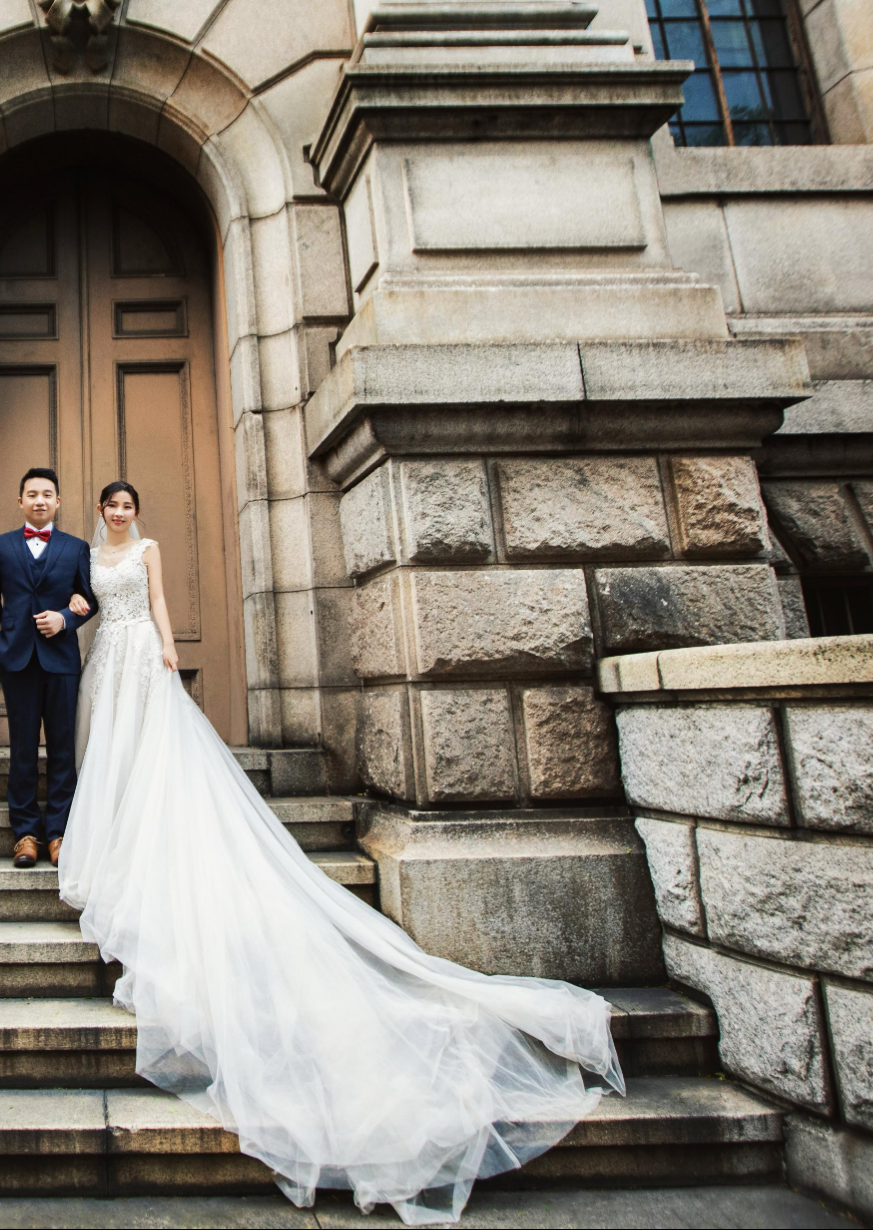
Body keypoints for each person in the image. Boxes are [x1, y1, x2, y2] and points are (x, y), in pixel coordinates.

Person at [56, 480, 622, 1225]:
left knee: (148, 749)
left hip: (143, 656)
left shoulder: (150, 549)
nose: (122, 513)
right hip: (104, 655)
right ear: (101, 511)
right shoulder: (87, 556)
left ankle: (142, 830)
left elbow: (156, 600)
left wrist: (166, 644)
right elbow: (85, 604)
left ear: (136, 508)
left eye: (130, 504)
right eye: (114, 506)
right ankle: (114, 829)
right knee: (109, 751)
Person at [0, 467, 95, 869]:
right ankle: (25, 834)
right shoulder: (1, 546)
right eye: (32, 494)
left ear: (57, 502)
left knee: (63, 749)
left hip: (61, 660)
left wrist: (66, 618)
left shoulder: (76, 547)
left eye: (47, 494)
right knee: (23, 749)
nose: (40, 500)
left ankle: (59, 832)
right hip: (17, 660)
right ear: (21, 501)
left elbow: (89, 600)